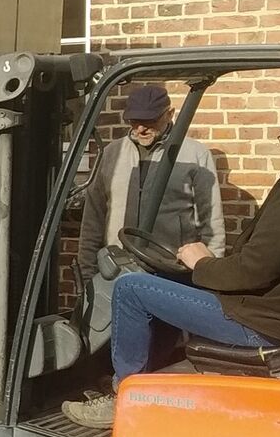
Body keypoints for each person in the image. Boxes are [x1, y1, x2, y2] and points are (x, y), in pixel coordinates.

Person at [63, 84, 280, 428]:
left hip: (260, 322)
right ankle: (145, 383)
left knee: (131, 289)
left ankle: (123, 399)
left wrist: (201, 262)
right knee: (160, 283)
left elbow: (252, 270)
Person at [76, 82, 225, 349]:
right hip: (117, 271)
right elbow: (93, 217)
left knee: (163, 348)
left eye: (150, 121)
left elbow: (211, 221)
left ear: (170, 114)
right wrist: (88, 272)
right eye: (134, 121)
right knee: (112, 346)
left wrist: (211, 278)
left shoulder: (194, 155)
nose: (141, 129)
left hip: (170, 272)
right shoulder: (112, 154)